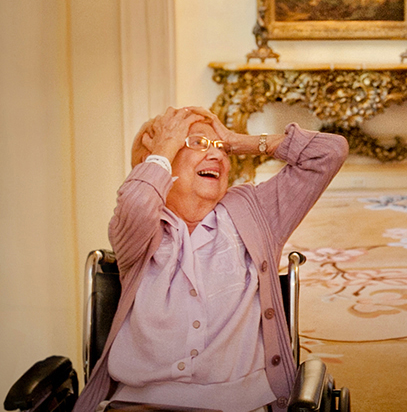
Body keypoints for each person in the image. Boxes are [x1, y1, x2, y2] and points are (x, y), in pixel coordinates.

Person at [75, 107, 349, 412]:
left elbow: (330, 151)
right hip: (141, 403)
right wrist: (164, 147)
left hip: (239, 404)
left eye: (221, 148)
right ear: (156, 165)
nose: (217, 155)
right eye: (196, 144)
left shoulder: (256, 213)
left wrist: (238, 140)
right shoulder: (138, 232)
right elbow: (137, 203)